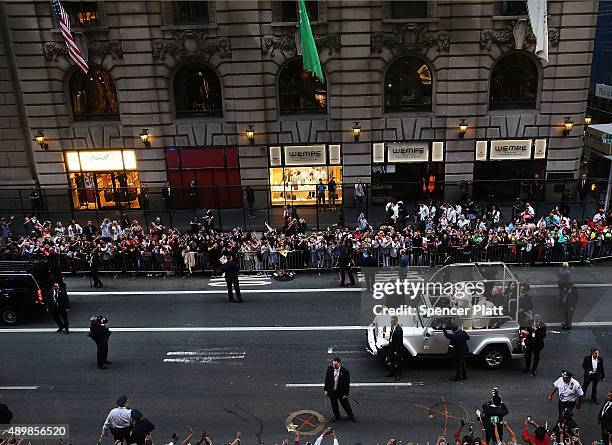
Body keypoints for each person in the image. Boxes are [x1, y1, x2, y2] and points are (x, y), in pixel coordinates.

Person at [324, 357, 357, 423]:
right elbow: (327, 380)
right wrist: (326, 390)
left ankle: (351, 416)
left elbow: (347, 384)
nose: (334, 366)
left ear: (339, 364)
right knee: (334, 405)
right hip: (332, 391)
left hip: (341, 392)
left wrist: (346, 394)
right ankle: (337, 416)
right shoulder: (329, 369)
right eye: (333, 364)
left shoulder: (345, 372)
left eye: (335, 364)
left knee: (345, 405)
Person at [386, 316, 405, 381]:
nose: (391, 322)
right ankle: (392, 372)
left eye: (393, 321)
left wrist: (396, 351)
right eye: (391, 321)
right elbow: (392, 336)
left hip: (397, 349)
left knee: (398, 362)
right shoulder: (392, 327)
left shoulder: (399, 329)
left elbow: (399, 341)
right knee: (391, 360)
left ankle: (398, 374)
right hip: (391, 346)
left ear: (396, 321)